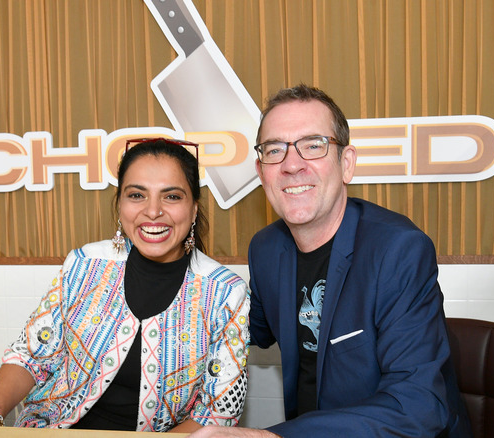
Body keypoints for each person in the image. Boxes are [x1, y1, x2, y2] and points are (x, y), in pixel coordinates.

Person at [189, 84, 470, 437]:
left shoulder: (398, 250)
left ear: (346, 163)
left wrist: (274, 436)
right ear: (261, 173)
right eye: (275, 150)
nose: (292, 164)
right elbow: (243, 328)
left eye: (312, 145)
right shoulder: (265, 248)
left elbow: (418, 406)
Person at [0, 138, 250, 436]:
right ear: (119, 206)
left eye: (171, 196)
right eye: (137, 195)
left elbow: (218, 413)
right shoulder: (84, 263)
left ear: (193, 209)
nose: (153, 211)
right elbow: (31, 357)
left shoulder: (226, 293)